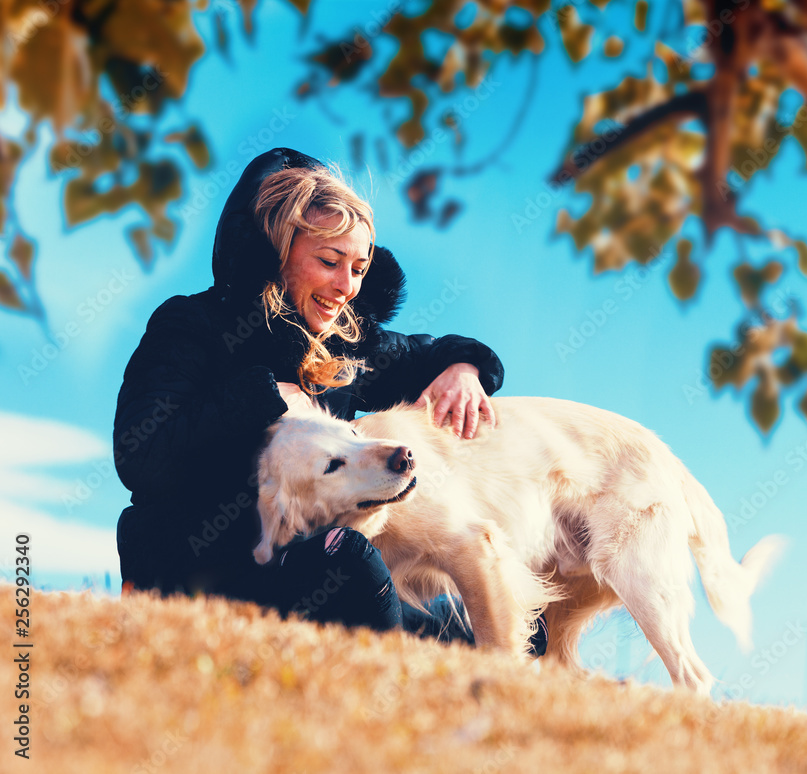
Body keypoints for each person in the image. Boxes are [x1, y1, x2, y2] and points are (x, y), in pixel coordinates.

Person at [113, 147, 516, 645]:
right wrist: (262, 397)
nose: (346, 286)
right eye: (329, 261)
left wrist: (465, 367)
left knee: (503, 628)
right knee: (348, 556)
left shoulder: (341, 347)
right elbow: (140, 455)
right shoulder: (191, 324)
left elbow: (422, 353)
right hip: (189, 564)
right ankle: (393, 698)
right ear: (276, 251)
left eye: (360, 268)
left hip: (292, 568)